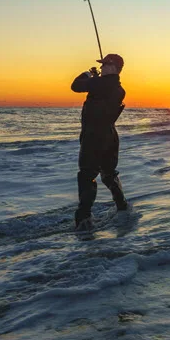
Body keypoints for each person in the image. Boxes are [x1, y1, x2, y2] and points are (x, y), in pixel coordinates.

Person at [70, 53, 128, 231]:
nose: (101, 68)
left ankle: (84, 220)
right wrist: (97, 79)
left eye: (104, 65)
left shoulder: (99, 83)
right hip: (110, 137)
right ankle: (123, 208)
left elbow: (75, 86)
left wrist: (88, 74)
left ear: (111, 67)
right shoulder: (119, 89)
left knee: (87, 175)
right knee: (109, 174)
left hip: (93, 138)